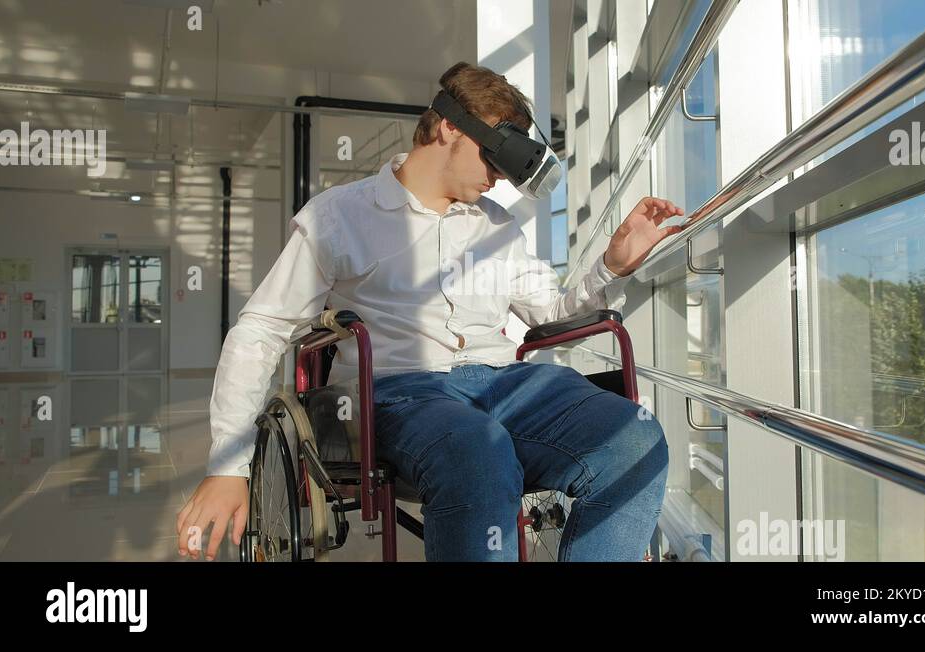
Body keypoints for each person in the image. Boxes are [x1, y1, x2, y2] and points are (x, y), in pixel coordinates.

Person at [176, 61, 686, 561]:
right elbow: (262, 329)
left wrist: (611, 267)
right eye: (494, 158)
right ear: (448, 127)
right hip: (401, 392)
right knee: (477, 453)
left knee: (635, 440)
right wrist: (228, 466)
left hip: (506, 382)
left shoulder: (496, 226)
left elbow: (551, 313)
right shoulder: (340, 216)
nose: (499, 178)